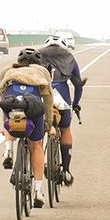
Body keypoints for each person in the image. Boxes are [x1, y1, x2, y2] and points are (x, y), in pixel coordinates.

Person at [0, 47, 55, 207]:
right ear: (38, 62)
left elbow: (3, 100)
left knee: (11, 117)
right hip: (33, 104)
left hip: (11, 102)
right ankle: (38, 191)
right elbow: (48, 100)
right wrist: (48, 124)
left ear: (19, 61)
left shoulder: (8, 70)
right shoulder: (42, 71)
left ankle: (8, 149)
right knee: (36, 146)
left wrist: (4, 127)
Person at [37, 35, 86, 186]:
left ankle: (39, 163)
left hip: (42, 98)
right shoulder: (69, 58)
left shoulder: (38, 56)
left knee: (38, 131)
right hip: (62, 99)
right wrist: (76, 103)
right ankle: (66, 170)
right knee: (65, 129)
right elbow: (78, 84)